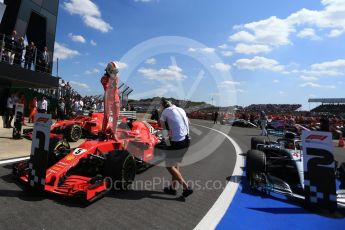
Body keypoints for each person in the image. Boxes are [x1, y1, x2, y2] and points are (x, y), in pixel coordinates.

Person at [159, 99, 193, 198]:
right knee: (175, 164)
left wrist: (166, 140)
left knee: (169, 166)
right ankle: (173, 189)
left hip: (177, 142)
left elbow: (163, 127)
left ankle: (186, 188)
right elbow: (189, 123)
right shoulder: (180, 109)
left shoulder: (166, 111)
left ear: (163, 106)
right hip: (186, 140)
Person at [100, 61, 120, 135]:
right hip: (108, 99)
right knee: (107, 116)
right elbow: (107, 88)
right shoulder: (103, 78)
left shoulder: (116, 77)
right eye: (113, 72)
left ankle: (114, 132)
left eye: (115, 72)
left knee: (117, 116)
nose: (115, 74)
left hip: (116, 98)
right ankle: (103, 132)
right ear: (109, 71)